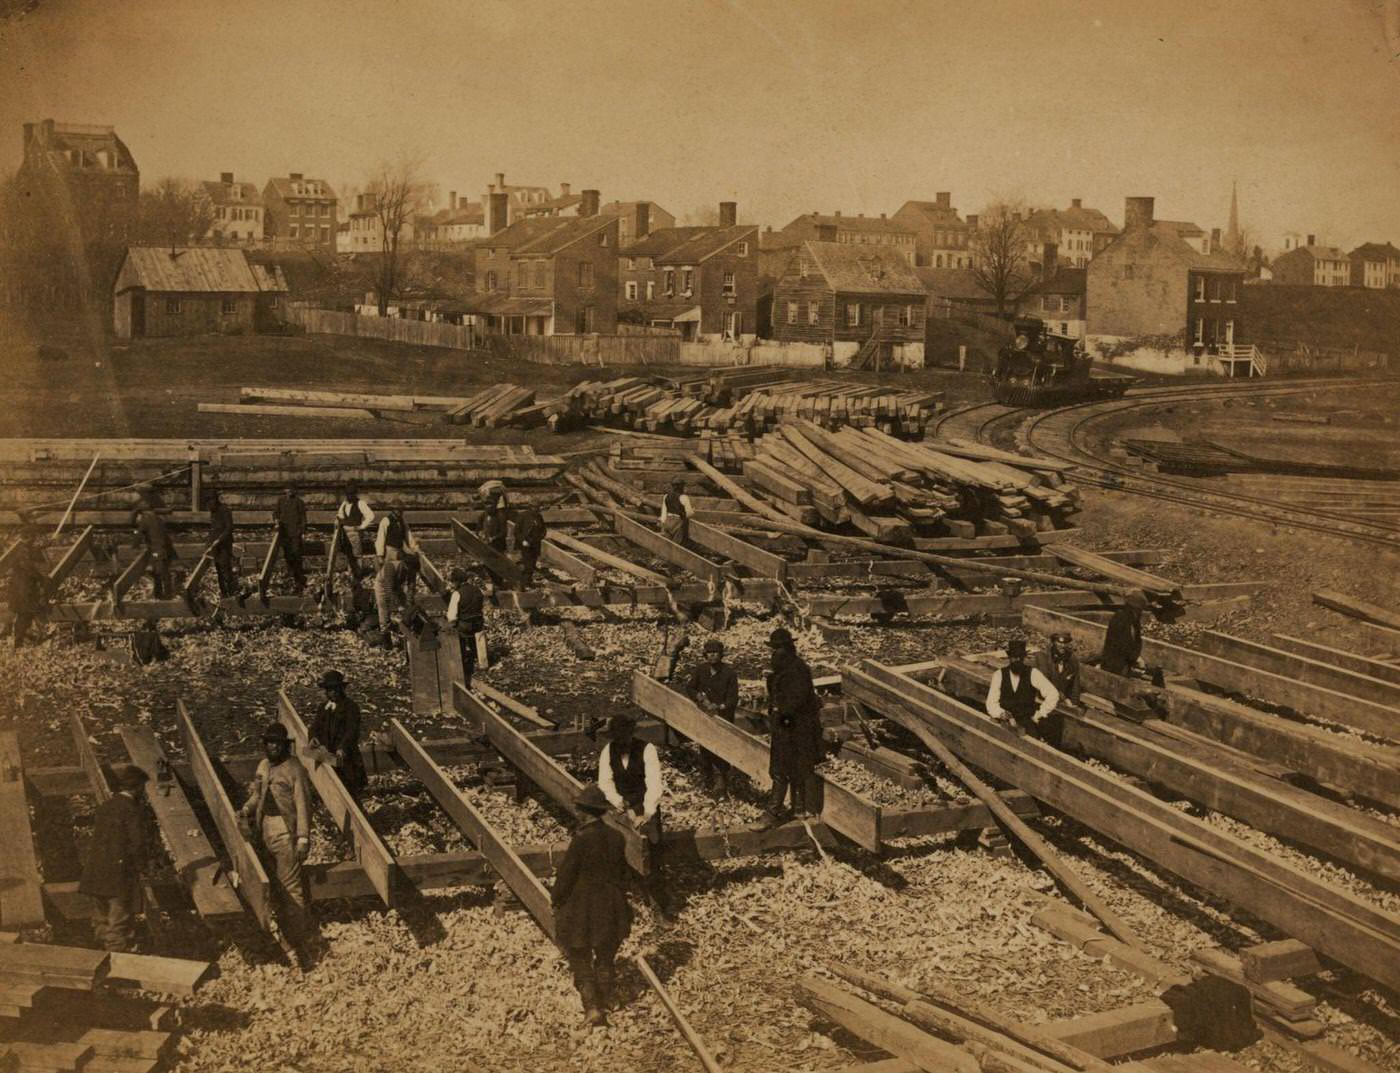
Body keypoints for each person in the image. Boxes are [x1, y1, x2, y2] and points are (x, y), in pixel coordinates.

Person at [552, 783, 632, 1028]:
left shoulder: (582, 839)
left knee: (579, 956)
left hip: (584, 906)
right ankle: (607, 999)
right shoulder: (617, 837)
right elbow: (622, 873)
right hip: (612, 903)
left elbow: (567, 875)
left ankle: (592, 1008)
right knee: (606, 955)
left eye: (579, 809)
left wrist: (556, 898)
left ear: (583, 812)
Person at [240, 723, 313, 949]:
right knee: (270, 883)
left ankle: (297, 938)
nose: (272, 746)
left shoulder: (295, 770)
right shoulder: (263, 765)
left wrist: (303, 838)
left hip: (284, 831)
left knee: (291, 887)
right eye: (269, 742)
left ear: (285, 746)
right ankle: (277, 932)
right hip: (265, 827)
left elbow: (303, 805)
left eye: (277, 743)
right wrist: (245, 810)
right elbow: (256, 795)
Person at [597, 712, 669, 917]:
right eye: (618, 738)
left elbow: (654, 784)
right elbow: (605, 782)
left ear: (631, 734)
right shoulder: (608, 751)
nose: (622, 742)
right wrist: (621, 804)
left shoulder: (647, 750)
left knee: (652, 855)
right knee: (620, 852)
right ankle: (624, 903)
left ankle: (658, 906)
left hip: (646, 806)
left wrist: (646, 813)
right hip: (622, 808)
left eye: (625, 737)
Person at [79, 764, 149, 952]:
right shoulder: (131, 809)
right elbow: (137, 843)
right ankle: (117, 965)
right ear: (138, 787)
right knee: (119, 921)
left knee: (100, 919)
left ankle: (99, 961)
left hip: (95, 872)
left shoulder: (105, 807)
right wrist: (143, 866)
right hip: (119, 874)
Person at [764, 627, 825, 824]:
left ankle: (775, 813)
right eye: (773, 649)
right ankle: (797, 809)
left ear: (787, 649)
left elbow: (793, 704)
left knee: (784, 768)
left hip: (798, 727)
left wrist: (780, 721)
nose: (774, 653)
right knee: (792, 767)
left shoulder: (797, 670)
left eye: (777, 649)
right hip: (790, 726)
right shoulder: (783, 669)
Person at [688, 638, 739, 795]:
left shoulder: (729, 673)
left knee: (722, 747)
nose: (712, 656)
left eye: (715, 653)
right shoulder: (700, 670)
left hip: (722, 717)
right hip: (705, 715)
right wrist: (699, 697)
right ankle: (707, 777)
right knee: (705, 747)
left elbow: (733, 698)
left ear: (721, 655)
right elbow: (690, 687)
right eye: (709, 653)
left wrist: (720, 707)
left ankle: (722, 779)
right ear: (705, 655)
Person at [986, 638, 1061, 742]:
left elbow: (1053, 694)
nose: (1017, 660)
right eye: (1014, 657)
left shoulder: (1032, 673)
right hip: (1004, 720)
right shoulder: (999, 675)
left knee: (1032, 743)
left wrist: (1039, 714)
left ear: (1024, 658)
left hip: (1025, 720)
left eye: (1020, 658)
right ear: (1009, 657)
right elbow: (991, 702)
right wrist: (1000, 713)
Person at [309, 669, 367, 797]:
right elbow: (315, 727)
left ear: (342, 689)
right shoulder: (323, 708)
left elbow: (351, 731)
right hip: (327, 755)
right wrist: (313, 737)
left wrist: (343, 747)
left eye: (336, 689)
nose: (333, 693)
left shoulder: (351, 707)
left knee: (349, 789)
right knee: (330, 789)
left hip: (346, 758)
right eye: (330, 690)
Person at [372, 504, 416, 638]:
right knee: (383, 605)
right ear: (393, 510)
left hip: (398, 550)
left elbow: (411, 585)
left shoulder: (403, 522)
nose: (399, 512)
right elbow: (389, 588)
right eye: (397, 510)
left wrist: (409, 603)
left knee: (403, 601)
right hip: (388, 554)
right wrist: (380, 555)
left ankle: (404, 626)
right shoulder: (386, 521)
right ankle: (384, 632)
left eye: (401, 510)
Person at [445, 566, 485, 691]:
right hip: (478, 624)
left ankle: (459, 657)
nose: (451, 584)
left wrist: (449, 625)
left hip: (465, 626)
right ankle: (478, 657)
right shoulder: (478, 590)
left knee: (452, 628)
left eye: (452, 582)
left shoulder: (457, 594)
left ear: (457, 581)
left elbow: (452, 616)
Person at [7, 531, 49, 648]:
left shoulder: (21, 549)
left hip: (21, 588)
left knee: (24, 615)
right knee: (24, 615)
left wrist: (45, 545)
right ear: (28, 538)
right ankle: (19, 641)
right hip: (22, 590)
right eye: (32, 538)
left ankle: (21, 640)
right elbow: (29, 567)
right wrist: (42, 579)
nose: (33, 541)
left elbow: (33, 552)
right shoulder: (22, 551)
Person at [133, 489, 176, 598]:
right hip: (165, 548)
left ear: (140, 513)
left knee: (160, 573)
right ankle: (162, 594)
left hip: (158, 550)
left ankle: (165, 595)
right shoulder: (157, 518)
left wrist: (135, 546)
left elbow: (138, 533)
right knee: (161, 572)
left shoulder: (145, 519)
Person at [1101, 590, 1149, 676]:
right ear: (1133, 608)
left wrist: (1136, 657)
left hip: (1126, 663)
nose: (1140, 612)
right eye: (1139, 610)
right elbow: (1122, 643)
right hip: (1114, 664)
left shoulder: (1135, 621)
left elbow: (1137, 641)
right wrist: (1135, 658)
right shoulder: (1120, 618)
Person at [336, 483, 376, 580]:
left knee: (357, 554)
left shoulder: (360, 503)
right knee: (348, 553)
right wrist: (339, 521)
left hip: (355, 531)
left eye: (351, 494)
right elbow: (340, 515)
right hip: (344, 532)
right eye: (348, 494)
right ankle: (350, 573)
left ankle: (358, 574)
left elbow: (371, 516)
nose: (349, 496)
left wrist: (361, 526)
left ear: (355, 494)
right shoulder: (344, 504)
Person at [272, 485, 307, 594]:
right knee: (287, 554)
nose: (289, 492)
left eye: (291, 490)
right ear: (284, 491)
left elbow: (303, 518)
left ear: (294, 491)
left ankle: (298, 576)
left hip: (295, 532)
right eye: (287, 490)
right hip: (284, 532)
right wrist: (276, 522)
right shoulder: (281, 501)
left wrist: (301, 530)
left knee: (296, 553)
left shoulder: (299, 502)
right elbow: (275, 514)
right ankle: (291, 573)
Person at [1036, 631, 1083, 706]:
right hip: (1044, 697)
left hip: (1061, 699)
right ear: (1054, 642)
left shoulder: (1072, 659)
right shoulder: (1044, 656)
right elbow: (1046, 682)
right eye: (1059, 643)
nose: (1062, 646)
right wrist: (1064, 699)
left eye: (1065, 643)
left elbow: (1075, 682)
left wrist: (1074, 703)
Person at [207, 488, 238, 598]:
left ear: (216, 500)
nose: (210, 503)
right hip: (215, 545)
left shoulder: (224, 510)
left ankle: (232, 592)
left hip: (224, 545)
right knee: (218, 569)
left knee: (226, 568)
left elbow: (229, 528)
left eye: (212, 500)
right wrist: (209, 544)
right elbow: (213, 529)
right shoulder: (213, 511)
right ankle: (224, 593)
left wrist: (219, 540)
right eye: (209, 501)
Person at [515, 502, 546, 588]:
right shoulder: (523, 516)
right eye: (535, 507)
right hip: (525, 545)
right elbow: (516, 532)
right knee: (526, 565)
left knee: (532, 564)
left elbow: (543, 530)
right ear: (530, 507)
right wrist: (523, 541)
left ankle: (528, 582)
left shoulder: (539, 517)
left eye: (538, 508)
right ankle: (523, 584)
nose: (537, 510)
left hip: (535, 545)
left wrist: (539, 537)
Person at [659, 477, 692, 546]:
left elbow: (664, 513)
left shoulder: (666, 496)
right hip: (678, 522)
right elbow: (689, 513)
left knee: (667, 544)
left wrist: (663, 524)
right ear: (681, 487)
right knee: (677, 544)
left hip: (668, 520)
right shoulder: (684, 497)